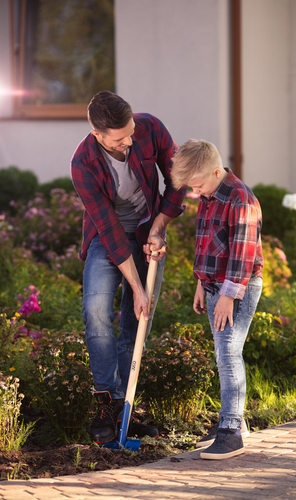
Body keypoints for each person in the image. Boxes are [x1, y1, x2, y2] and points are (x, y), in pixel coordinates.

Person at [71, 91, 186, 443]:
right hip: (107, 239)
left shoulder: (150, 128)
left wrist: (158, 226)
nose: (130, 140)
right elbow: (108, 228)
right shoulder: (83, 163)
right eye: (120, 139)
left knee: (137, 323)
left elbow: (178, 178)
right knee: (95, 309)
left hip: (148, 231)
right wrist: (137, 288)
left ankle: (126, 409)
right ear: (98, 136)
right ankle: (109, 402)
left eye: (131, 131)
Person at [171, 139, 264, 460]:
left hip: (237, 287)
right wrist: (201, 282)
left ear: (215, 171)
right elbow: (207, 243)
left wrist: (226, 297)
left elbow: (241, 254)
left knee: (228, 354)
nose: (194, 192)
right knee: (224, 353)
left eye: (196, 184)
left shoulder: (240, 199)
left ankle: (231, 431)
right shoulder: (210, 195)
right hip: (213, 286)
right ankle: (233, 419)